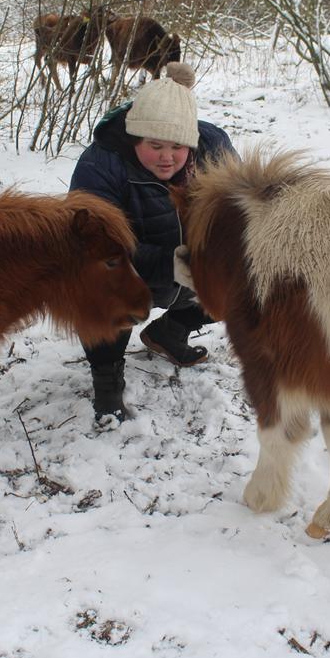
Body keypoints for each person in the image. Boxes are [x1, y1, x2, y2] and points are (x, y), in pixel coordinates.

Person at [69, 61, 236, 421]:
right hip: (131, 272)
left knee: (239, 274)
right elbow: (96, 245)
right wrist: (175, 264)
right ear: (135, 138)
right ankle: (108, 383)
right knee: (96, 286)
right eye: (154, 145)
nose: (166, 156)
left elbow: (237, 211)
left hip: (188, 267)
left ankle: (170, 333)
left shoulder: (213, 147)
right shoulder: (102, 164)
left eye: (178, 146)